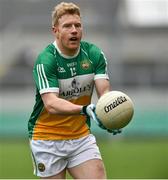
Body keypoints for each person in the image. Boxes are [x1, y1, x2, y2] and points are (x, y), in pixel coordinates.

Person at [28, 2, 120, 179]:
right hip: (47, 138)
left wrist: (111, 113)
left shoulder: (94, 54)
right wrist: (84, 109)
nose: (74, 30)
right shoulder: (46, 60)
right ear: (55, 31)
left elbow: (104, 93)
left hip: (81, 137)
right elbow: (51, 104)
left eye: (77, 25)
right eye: (67, 26)